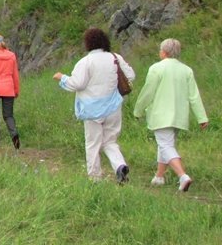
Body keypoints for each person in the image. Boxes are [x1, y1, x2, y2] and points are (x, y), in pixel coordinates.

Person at [53, 28, 136, 182]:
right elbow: (130, 75)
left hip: (92, 109)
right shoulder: (115, 57)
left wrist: (62, 78)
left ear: (88, 43)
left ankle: (94, 177)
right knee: (110, 141)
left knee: (93, 143)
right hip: (113, 106)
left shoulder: (86, 62)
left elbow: (77, 84)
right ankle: (119, 166)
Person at [133, 38, 208, 192]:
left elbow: (148, 91)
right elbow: (194, 96)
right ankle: (159, 176)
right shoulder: (186, 70)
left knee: (165, 145)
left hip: (161, 115)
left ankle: (182, 176)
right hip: (179, 115)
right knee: (166, 144)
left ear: (164, 52)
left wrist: (138, 110)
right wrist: (202, 117)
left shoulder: (156, 68)